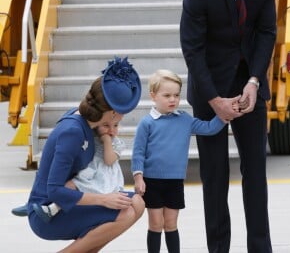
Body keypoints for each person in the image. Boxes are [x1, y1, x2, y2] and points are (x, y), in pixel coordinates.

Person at [180, 0, 276, 252]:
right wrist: (214, 100)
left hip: (249, 86)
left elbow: (266, 32)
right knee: (215, 174)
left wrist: (254, 81)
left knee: (256, 173)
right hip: (211, 90)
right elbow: (192, 49)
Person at [24, 57, 145, 252]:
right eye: (122, 112)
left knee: (137, 204)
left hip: (72, 200)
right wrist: (104, 199)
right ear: (112, 112)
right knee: (124, 212)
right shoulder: (72, 131)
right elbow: (54, 190)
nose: (122, 117)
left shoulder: (90, 122)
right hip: (48, 212)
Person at [131, 69, 228, 253]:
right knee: (156, 223)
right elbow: (138, 153)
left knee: (171, 223)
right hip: (152, 181)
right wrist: (138, 177)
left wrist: (223, 116)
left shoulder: (184, 119)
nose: (172, 99)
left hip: (175, 182)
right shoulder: (147, 123)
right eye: (167, 95)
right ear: (153, 96)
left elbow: (208, 128)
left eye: (176, 95)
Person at [32, 113, 129, 223]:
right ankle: (41, 204)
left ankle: (51, 209)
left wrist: (107, 142)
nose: (111, 130)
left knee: (78, 187)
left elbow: (109, 160)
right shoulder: (92, 137)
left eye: (116, 125)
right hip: (89, 170)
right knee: (68, 185)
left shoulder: (117, 143)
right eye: (106, 126)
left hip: (102, 175)